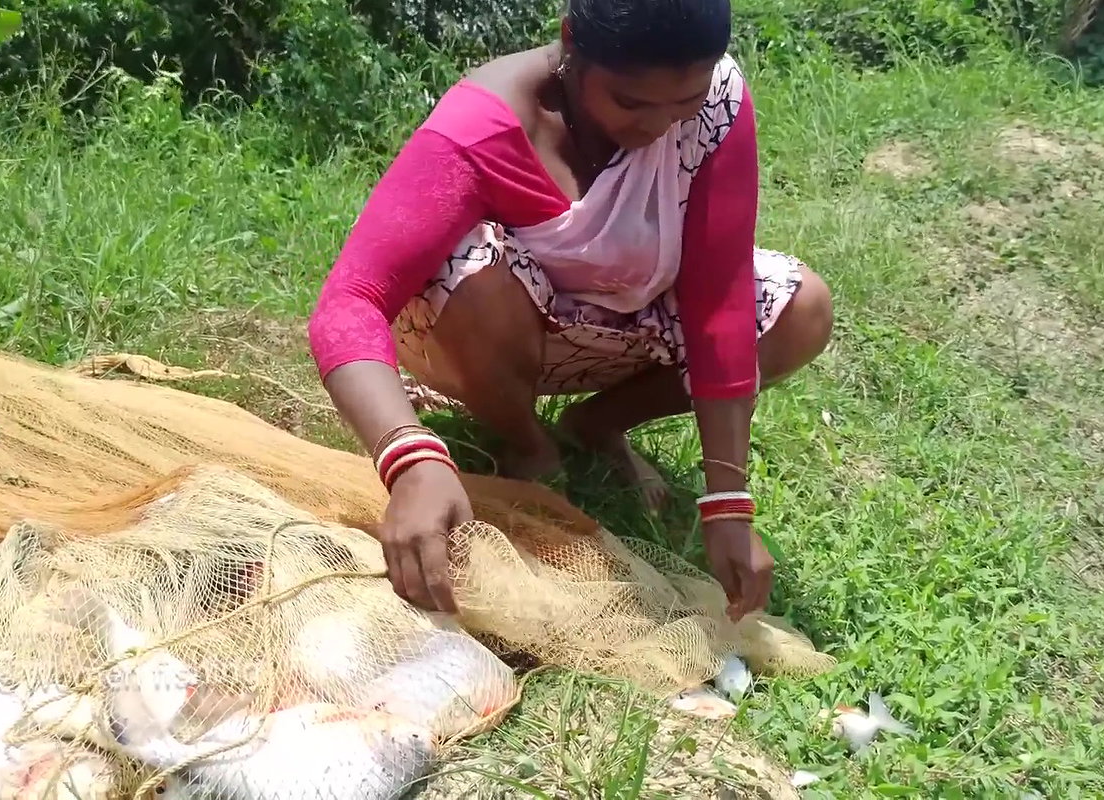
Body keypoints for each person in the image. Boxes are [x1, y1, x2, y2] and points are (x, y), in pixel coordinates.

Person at [307, 0, 833, 625]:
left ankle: (594, 426)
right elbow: (350, 301)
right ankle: (527, 443)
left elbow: (717, 296)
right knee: (468, 264)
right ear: (570, 44)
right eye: (632, 103)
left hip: (624, 323)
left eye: (682, 105)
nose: (660, 127)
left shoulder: (716, 106)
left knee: (799, 307)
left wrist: (727, 501)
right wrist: (411, 458)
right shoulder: (485, 125)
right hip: (488, 330)